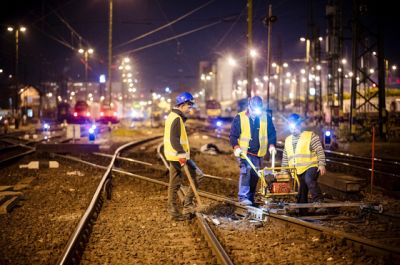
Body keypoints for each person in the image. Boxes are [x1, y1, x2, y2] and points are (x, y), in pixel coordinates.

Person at [229, 96, 276, 206]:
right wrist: (236, 147)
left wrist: (272, 145)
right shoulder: (239, 117)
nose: (256, 112)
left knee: (255, 175)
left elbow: (272, 133)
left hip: (258, 153)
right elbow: (233, 135)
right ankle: (243, 197)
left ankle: (250, 197)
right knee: (246, 171)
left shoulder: (265, 117)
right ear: (249, 106)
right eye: (254, 110)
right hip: (244, 153)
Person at [164, 92, 203, 221]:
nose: (190, 108)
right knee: (177, 182)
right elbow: (174, 139)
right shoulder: (175, 118)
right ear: (182, 104)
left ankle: (186, 204)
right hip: (178, 155)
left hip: (178, 155)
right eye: (189, 105)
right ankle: (179, 209)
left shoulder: (175, 116)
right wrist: (181, 153)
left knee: (178, 182)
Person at [281, 113, 326, 207]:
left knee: (309, 180)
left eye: (295, 126)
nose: (293, 129)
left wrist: (321, 164)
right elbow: (285, 157)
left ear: (300, 125)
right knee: (301, 190)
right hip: (297, 170)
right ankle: (302, 210)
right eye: (291, 126)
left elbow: (319, 150)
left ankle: (319, 201)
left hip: (311, 166)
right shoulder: (288, 140)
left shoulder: (310, 136)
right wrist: (284, 172)